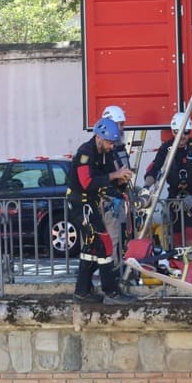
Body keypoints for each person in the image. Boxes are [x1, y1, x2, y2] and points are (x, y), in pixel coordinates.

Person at [68, 117, 136, 305]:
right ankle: (111, 290)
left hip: (91, 203)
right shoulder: (86, 152)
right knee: (104, 243)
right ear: (98, 137)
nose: (111, 146)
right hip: (81, 204)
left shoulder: (105, 153)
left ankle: (82, 291)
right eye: (108, 142)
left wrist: (120, 182)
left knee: (91, 246)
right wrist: (114, 175)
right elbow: (87, 182)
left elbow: (107, 180)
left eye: (113, 143)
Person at [143, 112, 192, 247]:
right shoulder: (166, 149)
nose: (182, 136)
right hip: (174, 199)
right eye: (178, 132)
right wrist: (146, 187)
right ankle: (177, 260)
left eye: (186, 132)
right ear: (172, 131)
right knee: (175, 239)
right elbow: (154, 168)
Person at [100, 105, 131, 262]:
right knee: (112, 241)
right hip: (109, 202)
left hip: (119, 199)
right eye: (120, 124)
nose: (122, 128)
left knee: (122, 239)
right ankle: (110, 270)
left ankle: (118, 268)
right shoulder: (103, 150)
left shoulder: (119, 148)